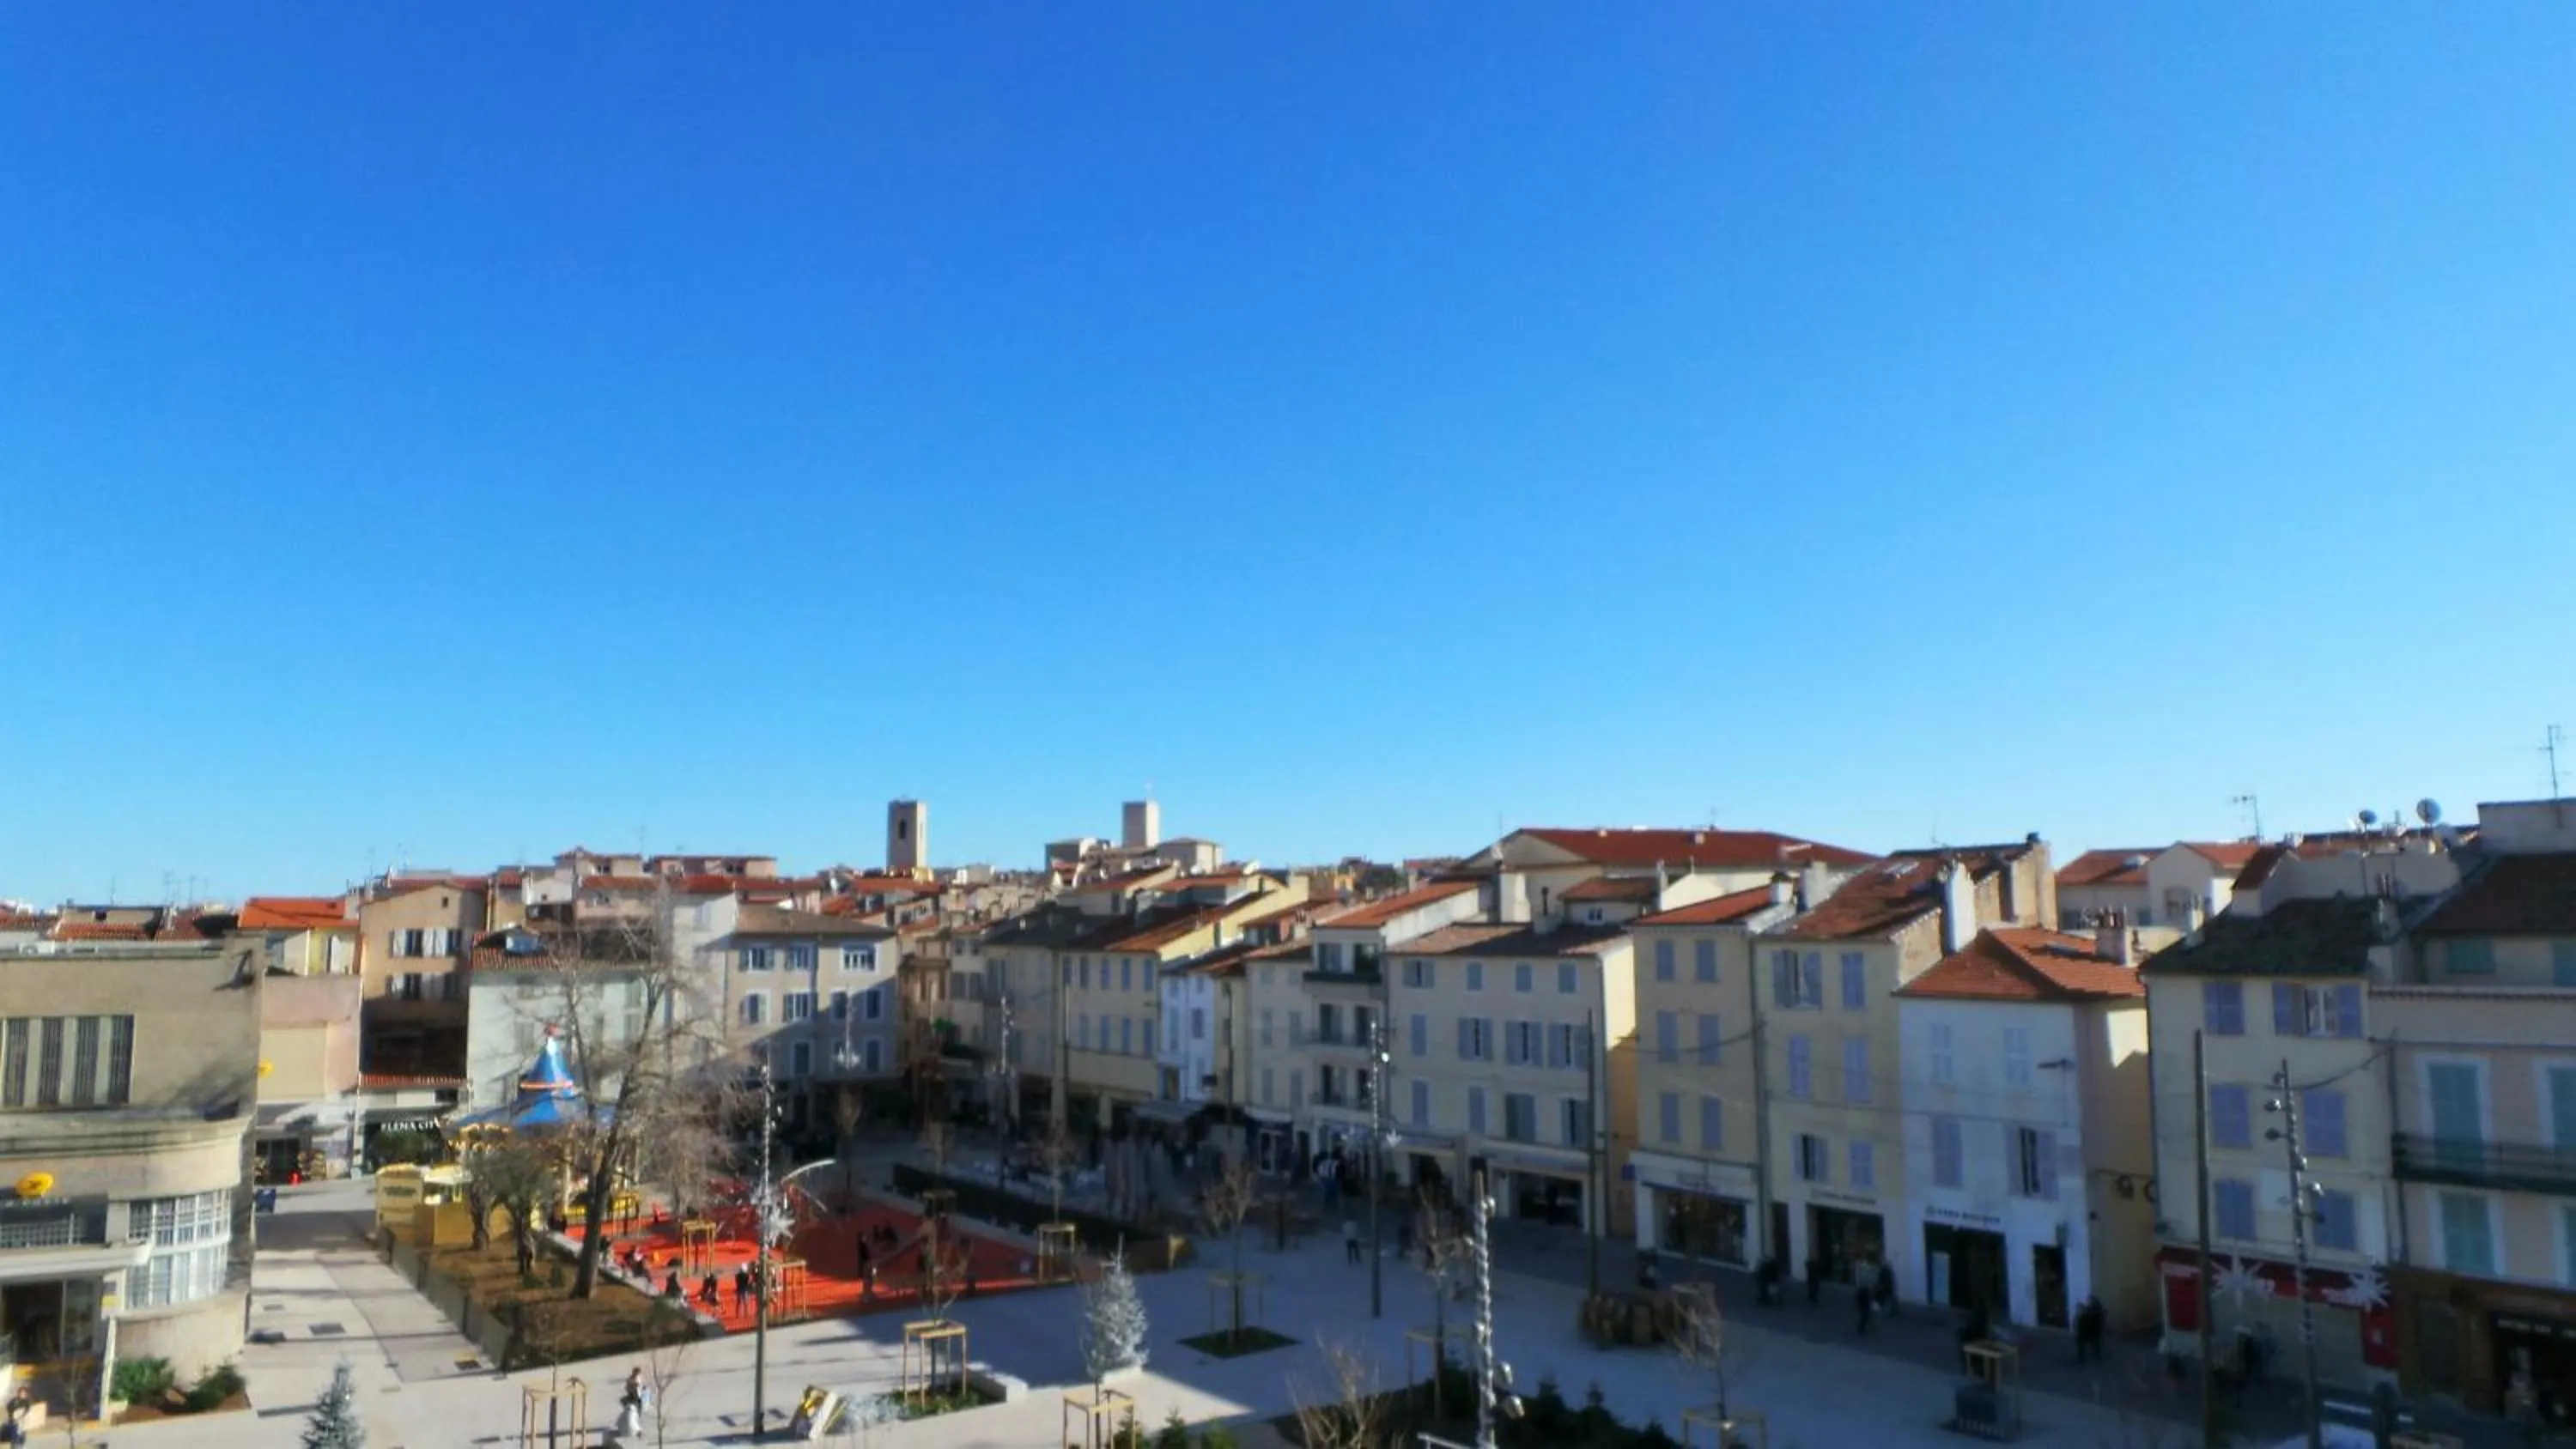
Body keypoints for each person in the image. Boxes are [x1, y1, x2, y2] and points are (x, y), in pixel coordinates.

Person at [617, 1367, 647, 1436]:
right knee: (634, 1411)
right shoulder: (631, 1379)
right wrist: (634, 1387)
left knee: (637, 1411)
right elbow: (629, 1386)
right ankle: (636, 1427)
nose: (639, 1374)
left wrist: (642, 1387)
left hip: (637, 1396)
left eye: (639, 1373)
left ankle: (635, 1421)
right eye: (638, 1373)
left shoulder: (636, 1378)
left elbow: (638, 1385)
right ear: (635, 1372)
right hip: (633, 1396)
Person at [2074, 1294, 2105, 1364]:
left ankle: (2089, 1358)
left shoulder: (2094, 1309)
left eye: (2090, 1300)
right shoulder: (2091, 1309)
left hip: (2092, 1330)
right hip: (2091, 1330)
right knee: (2094, 1344)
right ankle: (2094, 1357)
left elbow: (2094, 1320)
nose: (2089, 1301)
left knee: (2094, 1344)